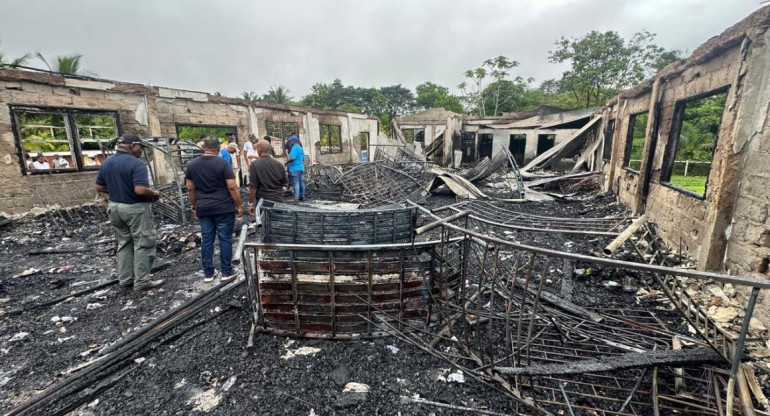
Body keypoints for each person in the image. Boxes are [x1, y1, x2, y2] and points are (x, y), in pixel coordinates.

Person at [94, 134, 163, 292]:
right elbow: (139, 190)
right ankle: (142, 282)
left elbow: (99, 187)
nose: (140, 151)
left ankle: (125, 280)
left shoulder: (107, 163)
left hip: (115, 207)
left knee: (124, 243)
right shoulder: (136, 164)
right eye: (140, 148)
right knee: (144, 243)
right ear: (133, 146)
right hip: (134, 208)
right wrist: (154, 193)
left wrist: (117, 190)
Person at [185, 136, 243, 282]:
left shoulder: (192, 165)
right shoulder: (223, 163)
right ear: (218, 148)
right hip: (223, 207)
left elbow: (190, 189)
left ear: (203, 147)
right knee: (225, 239)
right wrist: (239, 205)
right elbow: (232, 186)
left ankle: (208, 274)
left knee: (207, 240)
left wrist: (195, 206)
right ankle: (226, 271)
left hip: (204, 208)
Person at [248, 139, 289, 210]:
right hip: (278, 200)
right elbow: (285, 183)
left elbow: (253, 187)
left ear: (259, 149)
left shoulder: (254, 165)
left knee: (265, 220)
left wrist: (250, 203)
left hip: (263, 201)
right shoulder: (279, 164)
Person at [285, 135, 306, 202]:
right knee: (301, 182)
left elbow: (292, 158)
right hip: (300, 167)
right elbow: (303, 159)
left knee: (296, 183)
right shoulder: (300, 148)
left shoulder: (294, 148)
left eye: (290, 140)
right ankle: (302, 196)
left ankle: (296, 198)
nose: (290, 142)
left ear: (294, 141)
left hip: (294, 168)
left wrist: (286, 163)